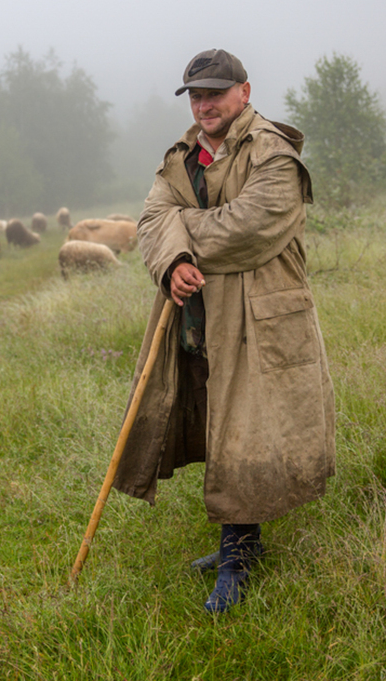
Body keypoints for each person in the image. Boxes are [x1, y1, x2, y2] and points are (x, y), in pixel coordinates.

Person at [112, 49, 335, 613]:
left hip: (259, 319)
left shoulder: (274, 154)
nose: (204, 104)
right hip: (197, 316)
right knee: (220, 421)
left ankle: (236, 558)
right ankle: (247, 543)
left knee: (248, 426)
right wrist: (173, 262)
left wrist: (180, 237)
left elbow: (254, 226)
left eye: (215, 92)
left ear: (245, 91)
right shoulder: (181, 158)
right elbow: (150, 220)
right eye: (195, 94)